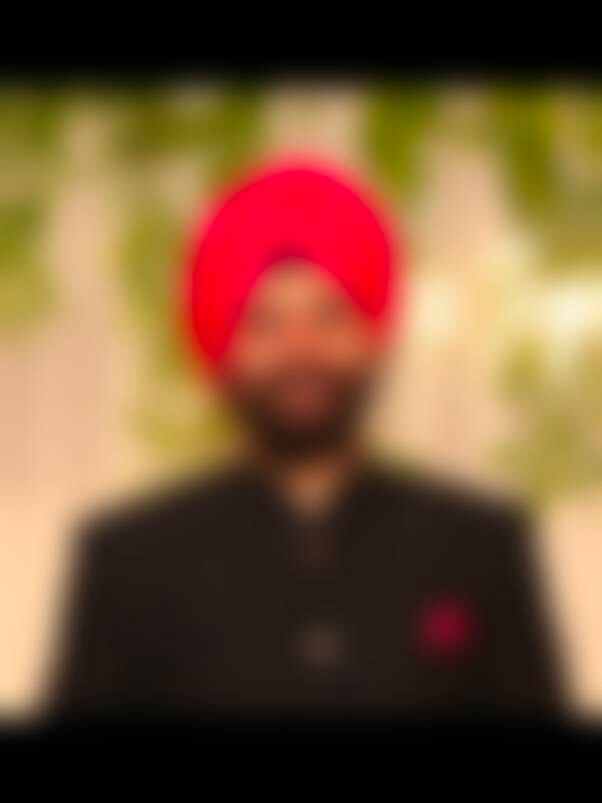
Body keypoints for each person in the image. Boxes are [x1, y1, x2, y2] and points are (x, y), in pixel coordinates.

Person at [49, 163, 562, 717]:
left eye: (329, 316)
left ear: (372, 340)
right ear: (224, 352)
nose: (301, 348)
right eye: (266, 323)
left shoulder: (478, 548)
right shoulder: (132, 561)